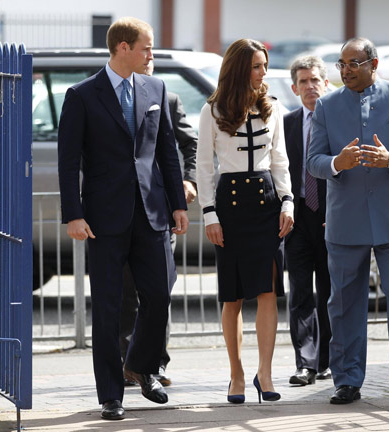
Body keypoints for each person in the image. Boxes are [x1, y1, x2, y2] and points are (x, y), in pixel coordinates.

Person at [57, 17, 188, 420]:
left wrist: (178, 203)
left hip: (152, 214)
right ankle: (111, 395)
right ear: (123, 48)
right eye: (146, 47)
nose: (152, 55)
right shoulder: (81, 95)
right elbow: (68, 161)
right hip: (103, 218)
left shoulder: (156, 88)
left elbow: (167, 151)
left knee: (160, 295)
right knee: (109, 307)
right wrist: (73, 215)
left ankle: (143, 366)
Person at [307, 37, 389, 407]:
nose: (346, 70)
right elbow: (313, 160)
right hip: (346, 223)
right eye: (341, 64)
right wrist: (336, 163)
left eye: (353, 63)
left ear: (373, 64)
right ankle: (346, 381)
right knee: (344, 303)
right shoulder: (326, 106)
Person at [196, 38, 294, 404]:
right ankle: (236, 374)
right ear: (239, 68)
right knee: (233, 295)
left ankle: (264, 374)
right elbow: (205, 167)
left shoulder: (273, 107)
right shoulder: (213, 109)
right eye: (256, 66)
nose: (263, 73)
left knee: (268, 291)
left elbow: (281, 161)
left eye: (264, 66)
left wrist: (288, 203)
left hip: (267, 203)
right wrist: (209, 213)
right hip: (231, 206)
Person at [120, 59, 198, 388]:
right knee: (127, 291)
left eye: (152, 57)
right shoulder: (112, 97)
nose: (148, 62)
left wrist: (188, 180)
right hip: (124, 213)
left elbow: (187, 143)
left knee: (159, 291)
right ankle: (128, 363)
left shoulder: (168, 98)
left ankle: (155, 362)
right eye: (145, 55)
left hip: (160, 211)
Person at [284, 55, 332, 386]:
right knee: (300, 292)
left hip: (331, 218)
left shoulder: (337, 122)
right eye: (303, 81)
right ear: (294, 88)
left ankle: (327, 360)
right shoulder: (285, 124)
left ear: (326, 84)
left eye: (315, 79)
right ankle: (305, 362)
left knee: (330, 292)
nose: (310, 85)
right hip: (298, 218)